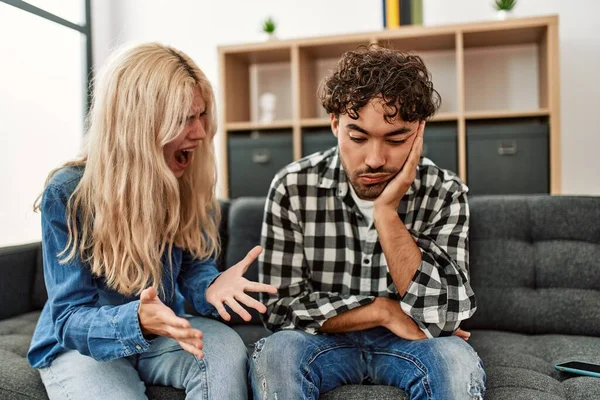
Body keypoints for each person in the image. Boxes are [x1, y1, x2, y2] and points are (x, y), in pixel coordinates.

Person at [27, 42, 276, 400]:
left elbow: (193, 268)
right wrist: (136, 320)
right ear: (138, 124)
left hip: (163, 332)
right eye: (184, 119)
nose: (201, 132)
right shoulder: (68, 192)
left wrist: (210, 286)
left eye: (201, 115)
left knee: (224, 350)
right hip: (82, 346)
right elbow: (69, 317)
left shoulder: (187, 178)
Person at [250, 45, 486, 399]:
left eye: (396, 139)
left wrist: (387, 213)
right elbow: (280, 308)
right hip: (320, 342)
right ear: (335, 124)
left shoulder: (445, 192)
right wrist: (381, 310)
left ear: (419, 131)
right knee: (276, 353)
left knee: (455, 360)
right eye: (358, 137)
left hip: (409, 344)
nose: (375, 159)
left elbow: (444, 316)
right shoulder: (292, 186)